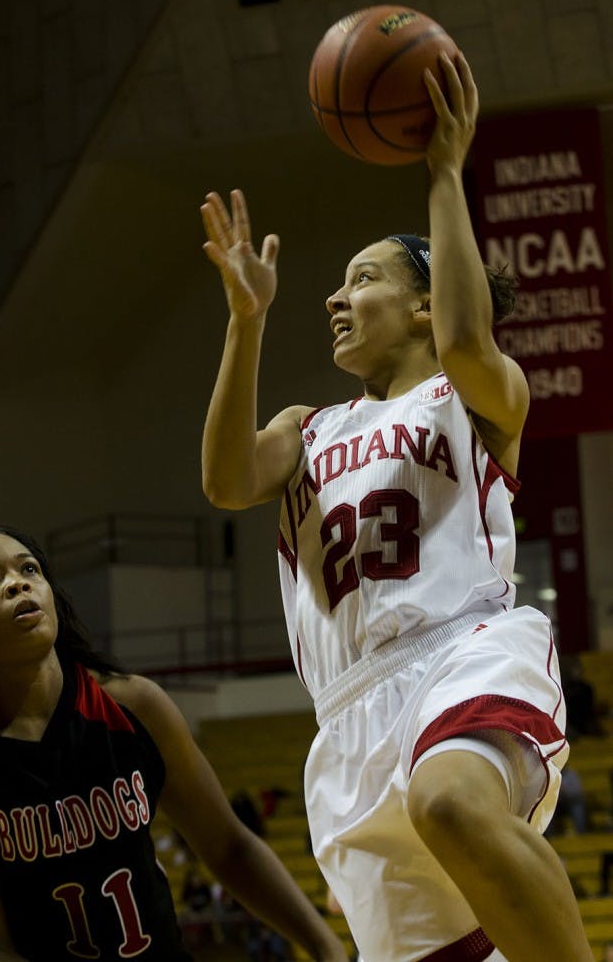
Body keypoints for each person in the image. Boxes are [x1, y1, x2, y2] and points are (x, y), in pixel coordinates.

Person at [201, 51, 593, 961]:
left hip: (459, 647)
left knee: (450, 797)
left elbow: (464, 332)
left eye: (364, 279)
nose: (337, 297)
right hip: (345, 718)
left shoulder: (472, 395)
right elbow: (224, 481)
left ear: (421, 304)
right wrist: (244, 321)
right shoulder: (309, 425)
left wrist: (445, 171)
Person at [0, 522, 347, 962]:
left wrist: (325, 946)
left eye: (29, 569)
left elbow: (230, 847)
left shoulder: (134, 705)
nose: (18, 583)